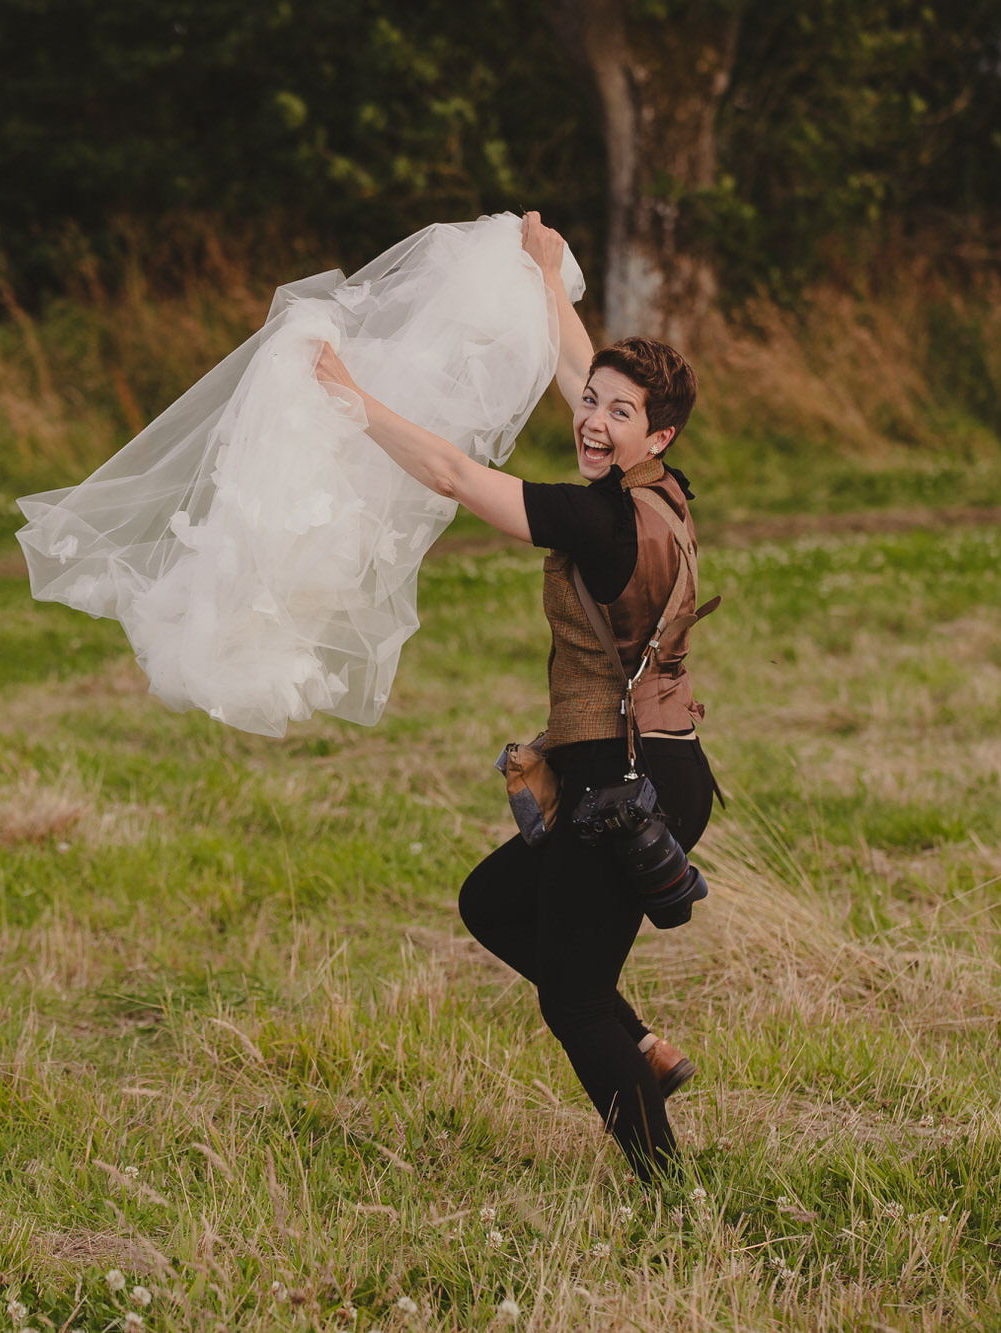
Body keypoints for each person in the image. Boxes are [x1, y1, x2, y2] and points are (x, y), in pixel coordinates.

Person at [312, 212, 716, 1183]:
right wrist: (545, 279)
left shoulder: (595, 517)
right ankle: (645, 1050)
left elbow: (452, 472)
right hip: (651, 768)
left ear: (651, 435)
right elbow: (577, 366)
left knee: (571, 999)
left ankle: (667, 1190)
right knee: (493, 901)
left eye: (619, 414)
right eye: (592, 403)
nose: (591, 419)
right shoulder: (662, 489)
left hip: (627, 789)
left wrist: (348, 396)